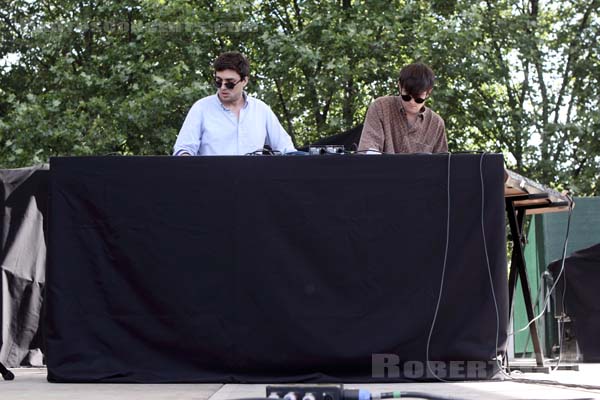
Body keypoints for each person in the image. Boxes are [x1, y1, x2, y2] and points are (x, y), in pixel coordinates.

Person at [173, 52, 296, 156]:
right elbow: (183, 150)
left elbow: (286, 149)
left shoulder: (261, 110)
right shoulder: (201, 108)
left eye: (229, 83)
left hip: (254, 182)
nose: (222, 88)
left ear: (244, 81)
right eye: (218, 82)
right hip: (211, 182)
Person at [358, 62, 447, 154]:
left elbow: (442, 163)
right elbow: (368, 150)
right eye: (407, 97)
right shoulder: (380, 107)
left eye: (418, 98)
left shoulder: (436, 124)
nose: (412, 102)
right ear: (400, 86)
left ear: (428, 92)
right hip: (381, 168)